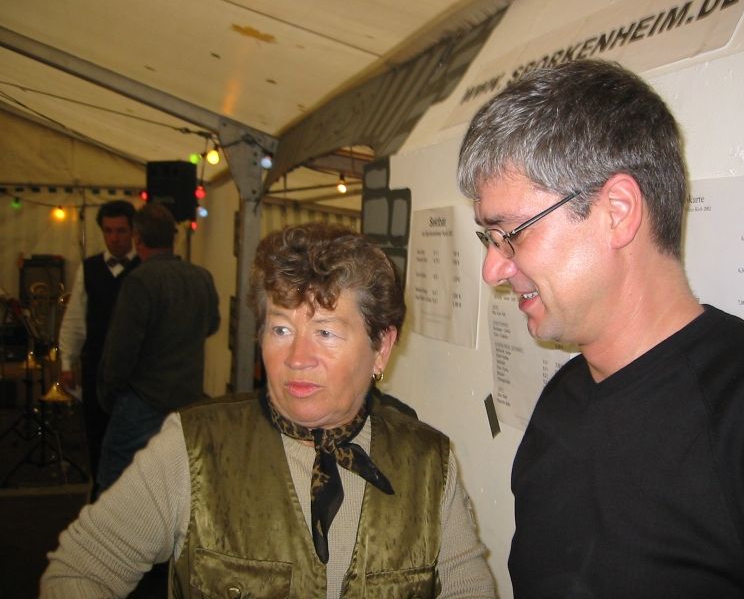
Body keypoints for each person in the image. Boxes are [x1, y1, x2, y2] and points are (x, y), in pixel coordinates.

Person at [458, 59, 744, 598]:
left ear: (617, 211)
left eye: (511, 234)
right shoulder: (559, 403)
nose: (493, 270)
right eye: (489, 239)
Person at [40, 222, 495, 598]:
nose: (297, 358)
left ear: (382, 347)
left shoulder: (428, 463)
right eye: (280, 329)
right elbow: (78, 572)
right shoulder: (195, 448)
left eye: (325, 332)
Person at [94, 202, 220, 494]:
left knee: (115, 487)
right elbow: (212, 325)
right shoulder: (202, 277)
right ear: (173, 237)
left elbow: (121, 350)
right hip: (187, 399)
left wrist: (109, 393)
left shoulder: (140, 281)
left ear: (137, 238)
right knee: (172, 487)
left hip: (143, 400)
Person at [58, 199, 140, 490]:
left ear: (133, 232)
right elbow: (76, 319)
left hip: (134, 371)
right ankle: (100, 493)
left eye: (120, 231)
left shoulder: (144, 268)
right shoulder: (90, 268)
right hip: (97, 367)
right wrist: (67, 362)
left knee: (133, 439)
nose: (114, 238)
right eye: (108, 231)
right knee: (97, 434)